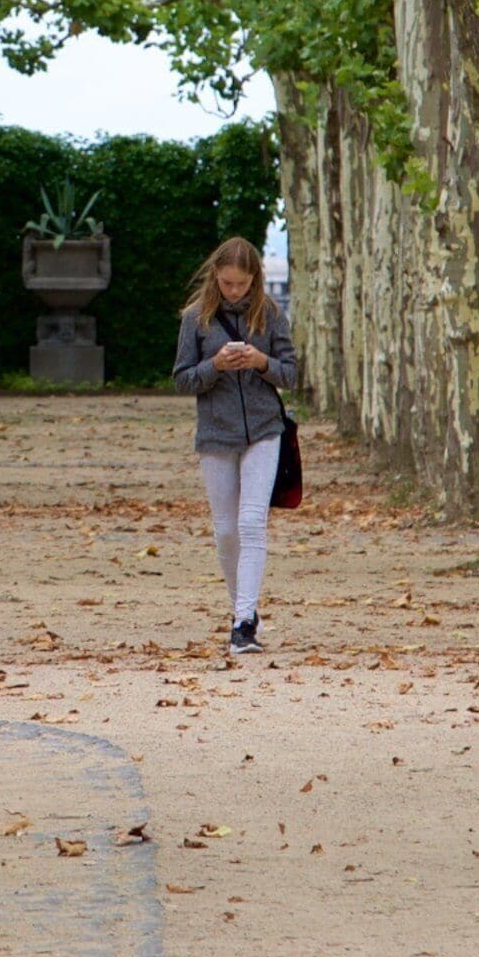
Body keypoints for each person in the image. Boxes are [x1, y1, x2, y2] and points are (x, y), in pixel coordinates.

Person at [170, 236, 300, 655]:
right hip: (216, 433)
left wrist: (261, 363)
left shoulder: (272, 316)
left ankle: (244, 621)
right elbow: (182, 378)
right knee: (226, 531)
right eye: (227, 283)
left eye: (241, 284)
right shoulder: (195, 320)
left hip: (264, 430)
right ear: (216, 278)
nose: (234, 291)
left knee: (250, 523)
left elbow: (291, 374)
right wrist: (215, 365)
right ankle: (240, 605)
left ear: (254, 280)